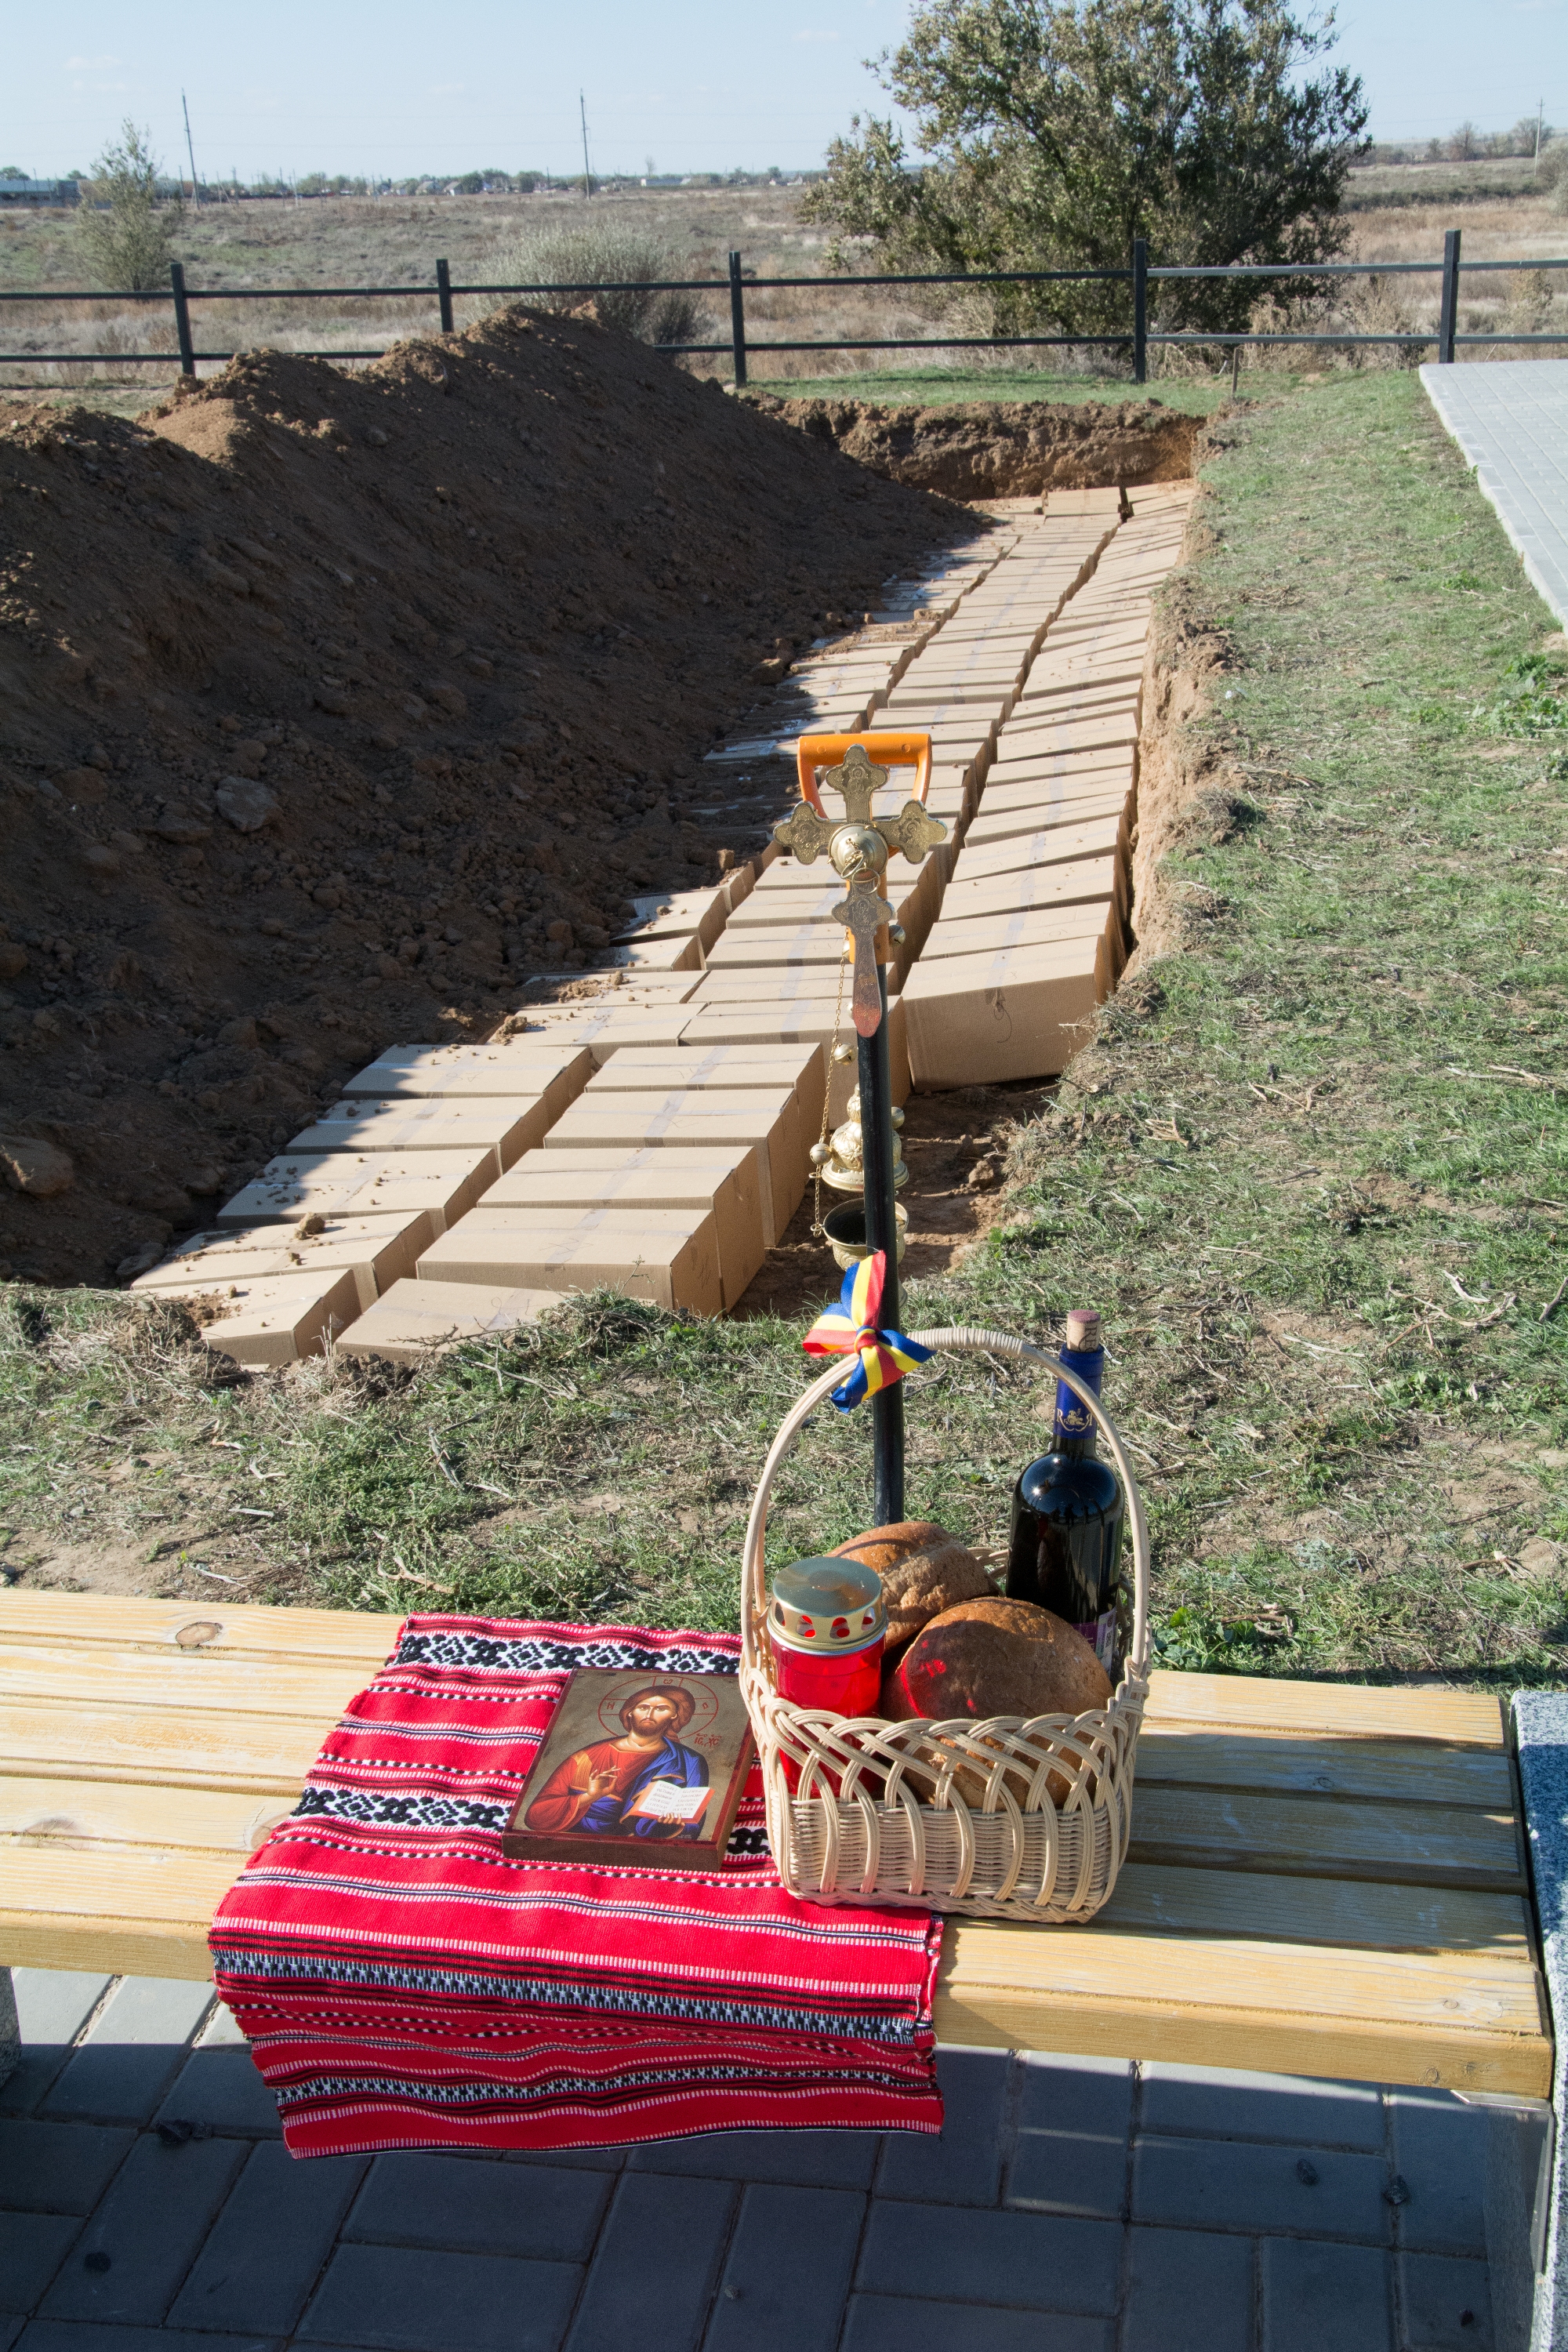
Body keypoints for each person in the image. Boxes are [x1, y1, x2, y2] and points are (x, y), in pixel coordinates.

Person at [524, 1681, 710, 1841]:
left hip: (641, 1850)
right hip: (576, 1839)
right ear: (630, 1713)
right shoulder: (587, 1757)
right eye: (643, 1707)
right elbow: (536, 1815)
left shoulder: (689, 1761)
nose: (649, 1713)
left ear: (674, 1716)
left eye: (661, 1709)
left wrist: (668, 1827)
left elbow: (693, 1818)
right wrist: (589, 1797)